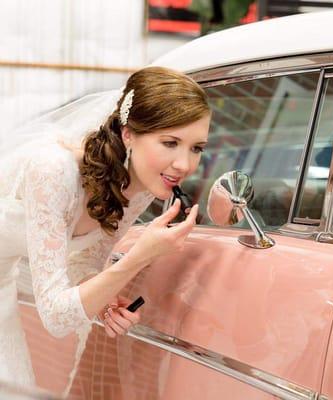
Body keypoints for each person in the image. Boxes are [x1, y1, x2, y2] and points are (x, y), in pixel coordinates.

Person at [0, 66, 211, 388]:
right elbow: (56, 319)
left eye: (196, 148)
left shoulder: (137, 187)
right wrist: (138, 257)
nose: (184, 164)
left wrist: (103, 300)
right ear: (129, 134)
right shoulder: (52, 171)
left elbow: (84, 262)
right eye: (170, 143)